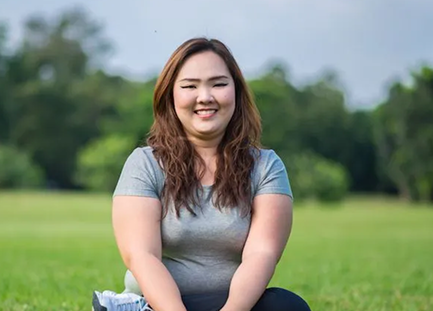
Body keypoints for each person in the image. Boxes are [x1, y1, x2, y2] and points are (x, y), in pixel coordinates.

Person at [93, 37, 311, 311]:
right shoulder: (144, 164)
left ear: (237, 92)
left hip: (236, 305)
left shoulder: (266, 166)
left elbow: (262, 253)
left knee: (287, 306)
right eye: (189, 86)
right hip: (156, 305)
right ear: (171, 95)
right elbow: (142, 255)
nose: (205, 97)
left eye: (219, 84)